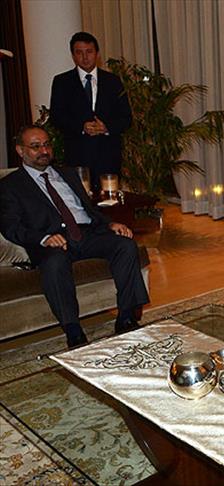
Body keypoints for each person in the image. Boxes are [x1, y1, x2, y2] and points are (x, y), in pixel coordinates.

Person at [0, 126, 149, 348]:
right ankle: (73, 330)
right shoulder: (10, 185)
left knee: (125, 245)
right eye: (35, 146)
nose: (44, 151)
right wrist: (43, 238)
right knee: (54, 262)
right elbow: (10, 226)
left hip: (87, 233)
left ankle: (126, 317)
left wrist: (110, 224)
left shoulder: (68, 174)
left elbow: (89, 209)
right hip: (53, 241)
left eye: (47, 144)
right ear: (20, 150)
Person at [50, 31, 131, 190]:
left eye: (89, 52)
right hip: (78, 155)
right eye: (79, 53)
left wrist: (106, 127)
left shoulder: (113, 81)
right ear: (73, 55)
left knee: (109, 200)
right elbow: (56, 117)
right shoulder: (62, 82)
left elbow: (126, 118)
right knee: (81, 199)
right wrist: (81, 126)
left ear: (97, 54)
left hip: (108, 155)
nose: (85, 57)